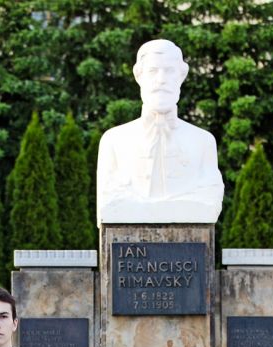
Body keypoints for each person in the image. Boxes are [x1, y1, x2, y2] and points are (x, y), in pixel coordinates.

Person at [95, 39, 224, 224]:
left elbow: (209, 198)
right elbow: (109, 199)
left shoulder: (203, 142)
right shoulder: (113, 141)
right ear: (139, 76)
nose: (161, 79)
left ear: (181, 76)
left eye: (169, 71)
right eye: (153, 71)